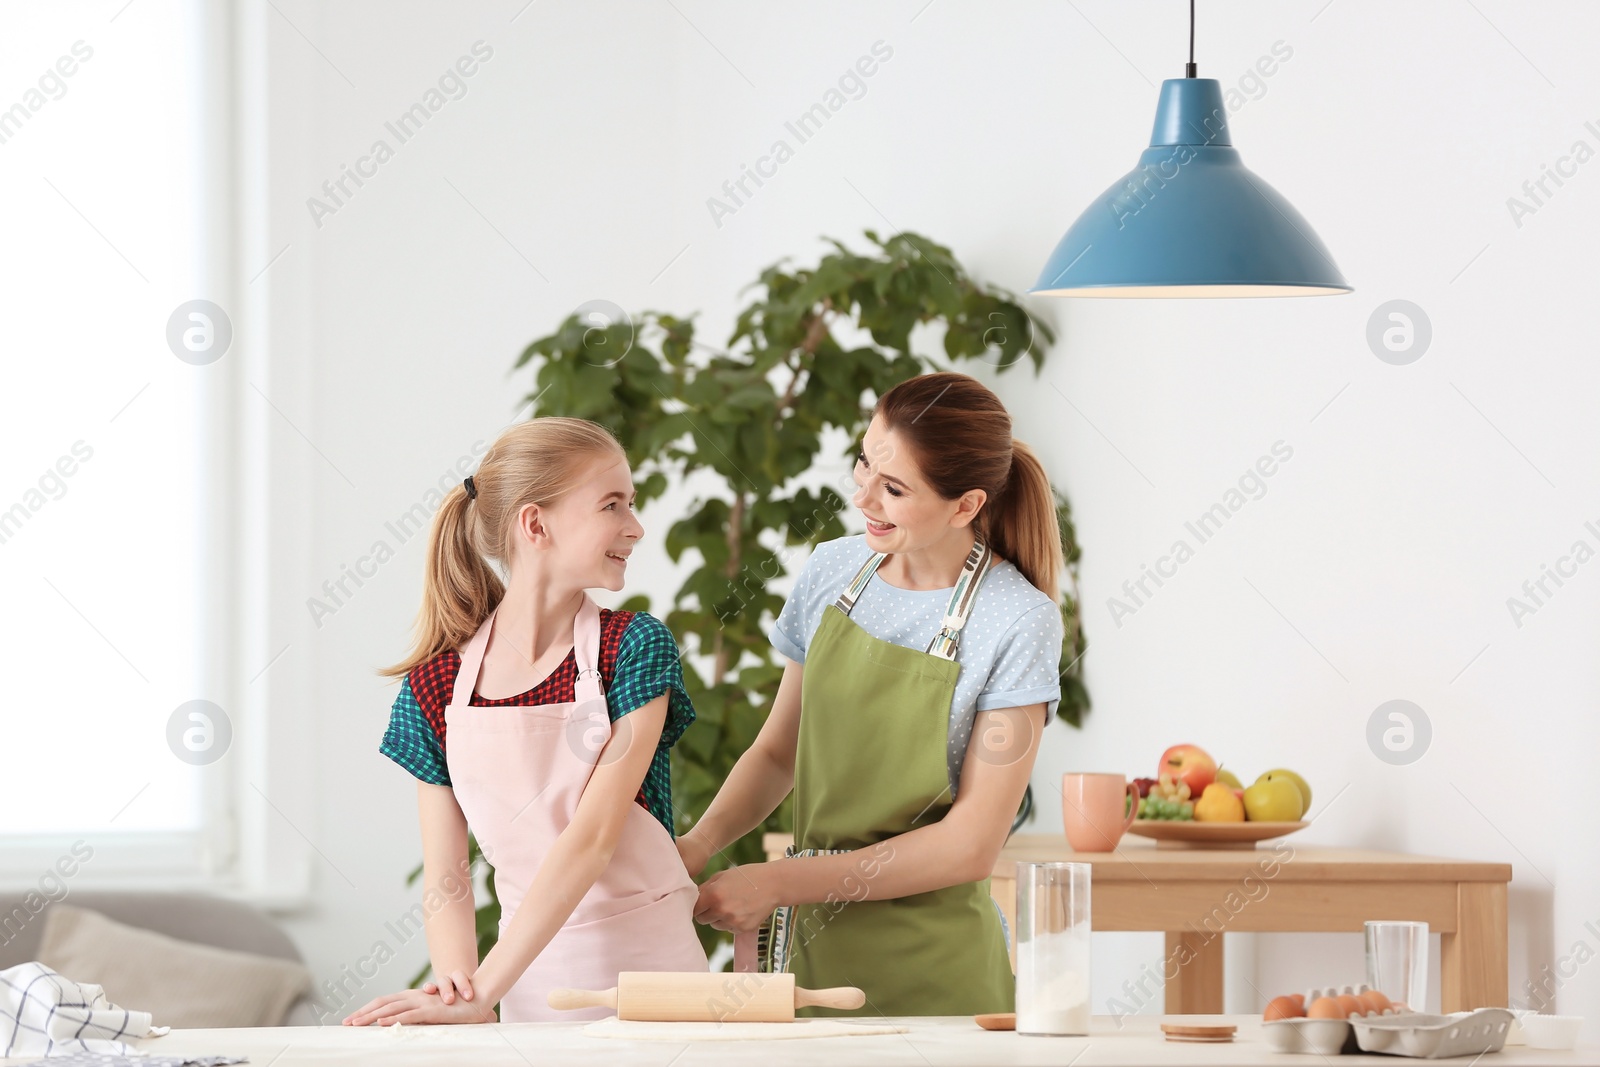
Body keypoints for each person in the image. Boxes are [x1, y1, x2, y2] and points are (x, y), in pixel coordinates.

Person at [679, 371, 1064, 1016]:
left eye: (893, 488)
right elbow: (778, 753)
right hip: (811, 956)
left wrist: (777, 881)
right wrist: (696, 844)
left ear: (965, 506)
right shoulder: (833, 570)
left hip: (936, 971)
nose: (864, 499)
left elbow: (969, 844)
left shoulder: (1017, 620)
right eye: (864, 463)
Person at [346, 417, 706, 1025]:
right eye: (612, 505)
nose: (636, 527)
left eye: (632, 504)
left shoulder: (634, 649)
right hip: (527, 991)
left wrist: (484, 989)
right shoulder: (435, 686)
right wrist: (465, 998)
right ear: (536, 524)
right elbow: (447, 874)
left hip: (660, 995)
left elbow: (592, 841)